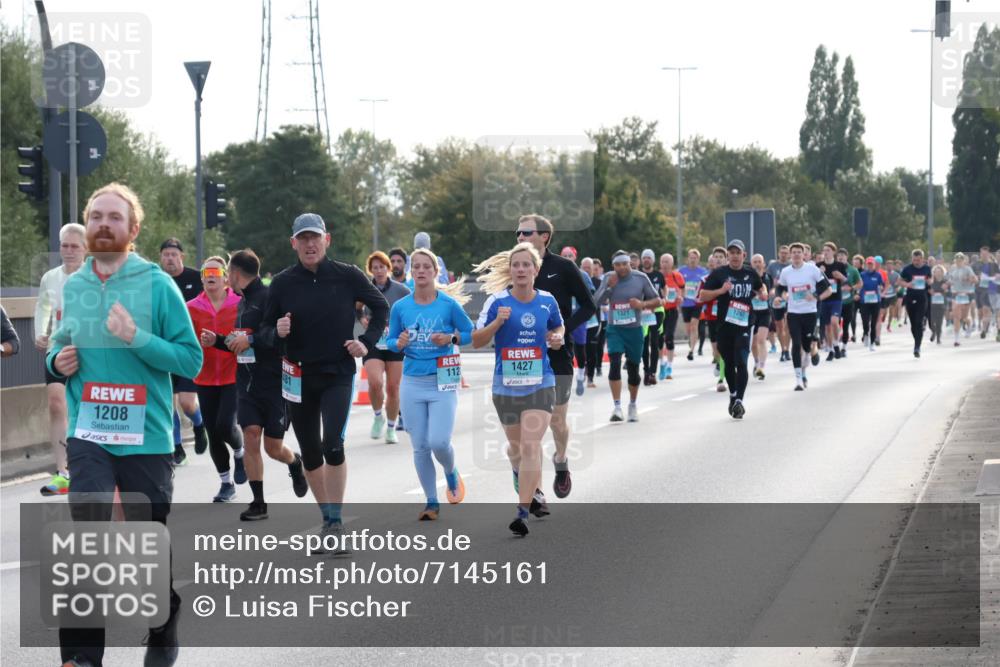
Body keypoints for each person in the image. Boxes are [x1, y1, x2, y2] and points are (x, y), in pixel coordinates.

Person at [48, 183, 202, 667]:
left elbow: (190, 359)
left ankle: (162, 626)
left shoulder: (157, 284)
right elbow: (56, 347)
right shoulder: (75, 286)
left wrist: (136, 337)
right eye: (96, 217)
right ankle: (81, 656)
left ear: (132, 230)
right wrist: (58, 361)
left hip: (146, 435)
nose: (103, 225)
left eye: (114, 217)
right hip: (90, 431)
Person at [262, 213, 389, 551]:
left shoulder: (347, 276)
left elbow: (381, 307)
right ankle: (328, 519)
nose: (309, 244)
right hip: (298, 377)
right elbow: (263, 329)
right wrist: (276, 331)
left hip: (337, 372)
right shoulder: (283, 283)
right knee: (312, 452)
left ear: (326, 239)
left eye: (314, 237)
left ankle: (335, 521)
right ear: (294, 243)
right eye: (302, 238)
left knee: (333, 444)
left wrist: (366, 342)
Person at [472, 242, 564, 536]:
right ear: (510, 270)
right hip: (505, 386)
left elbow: (557, 327)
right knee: (516, 449)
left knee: (529, 446)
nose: (521, 269)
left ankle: (522, 512)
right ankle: (523, 479)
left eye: (527, 265)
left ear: (536, 270)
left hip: (541, 382)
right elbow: (476, 340)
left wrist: (557, 338)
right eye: (516, 265)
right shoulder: (497, 302)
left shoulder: (548, 301)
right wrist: (497, 323)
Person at [511, 214, 595, 500]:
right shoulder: (513, 266)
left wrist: (563, 331)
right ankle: (534, 490)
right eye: (518, 234)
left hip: (558, 354)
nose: (520, 238)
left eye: (526, 233)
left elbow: (589, 306)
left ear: (544, 236)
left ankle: (560, 459)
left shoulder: (563, 267)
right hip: (523, 355)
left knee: (557, 421)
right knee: (529, 429)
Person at [387, 248, 473, 521]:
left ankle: (450, 472)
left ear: (436, 272)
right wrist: (397, 343)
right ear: (412, 273)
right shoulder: (401, 307)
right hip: (412, 381)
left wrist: (450, 339)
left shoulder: (447, 305)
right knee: (420, 445)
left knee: (439, 442)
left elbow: (470, 333)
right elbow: (389, 341)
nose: (421, 271)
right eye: (417, 267)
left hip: (443, 381)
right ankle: (431, 502)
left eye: (427, 267)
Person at [225, 249, 308, 521]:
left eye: (228, 272)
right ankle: (258, 503)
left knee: (273, 448)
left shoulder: (269, 297)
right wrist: (217, 340)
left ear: (236, 274)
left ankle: (295, 462)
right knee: (250, 435)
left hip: (273, 382)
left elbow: (278, 335)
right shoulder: (242, 302)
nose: (227, 278)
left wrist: (251, 341)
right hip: (246, 384)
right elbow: (241, 339)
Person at [187, 256, 247, 502]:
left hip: (234, 374)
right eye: (205, 271)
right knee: (213, 431)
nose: (210, 275)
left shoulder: (239, 303)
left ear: (225, 277)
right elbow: (185, 338)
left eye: (215, 271)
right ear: (202, 278)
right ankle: (226, 483)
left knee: (225, 425)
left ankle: (240, 452)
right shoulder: (192, 307)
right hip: (205, 376)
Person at [34, 223, 87, 496]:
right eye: (64, 246)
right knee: (56, 405)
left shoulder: (95, 277)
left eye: (74, 246)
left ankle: (90, 466)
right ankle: (63, 473)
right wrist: (39, 334)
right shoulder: (50, 277)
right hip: (58, 349)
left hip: (88, 351)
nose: (68, 251)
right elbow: (43, 306)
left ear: (85, 249)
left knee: (85, 408)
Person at [699, 241, 766, 418]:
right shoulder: (719, 273)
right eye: (732, 252)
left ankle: (739, 402)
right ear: (728, 255)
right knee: (728, 363)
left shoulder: (749, 272)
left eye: (738, 252)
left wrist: (763, 293)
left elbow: (760, 286)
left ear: (744, 255)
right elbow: (703, 295)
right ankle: (733, 395)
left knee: (741, 361)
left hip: (744, 323)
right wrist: (721, 291)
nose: (735, 255)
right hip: (724, 325)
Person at [593, 250, 661, 422]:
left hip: (634, 330)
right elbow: (595, 302)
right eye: (618, 265)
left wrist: (642, 304)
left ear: (630, 263)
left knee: (633, 370)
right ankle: (617, 407)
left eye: (625, 264)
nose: (622, 267)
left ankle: (632, 404)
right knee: (614, 364)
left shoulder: (640, 278)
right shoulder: (608, 277)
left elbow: (657, 300)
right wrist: (609, 288)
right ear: (613, 266)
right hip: (615, 329)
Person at [158, 238, 207, 465]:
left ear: (181, 257)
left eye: (173, 254)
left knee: (187, 403)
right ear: (161, 258)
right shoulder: (157, 280)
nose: (169, 258)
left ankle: (198, 424)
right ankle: (177, 447)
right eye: (166, 254)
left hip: (187, 350)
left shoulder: (196, 278)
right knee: (169, 403)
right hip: (164, 349)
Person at [357, 251, 410, 444]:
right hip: (373, 341)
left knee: (393, 387)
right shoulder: (365, 288)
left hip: (395, 343)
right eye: (374, 268)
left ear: (388, 268)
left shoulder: (401, 290)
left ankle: (391, 428)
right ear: (370, 270)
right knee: (375, 382)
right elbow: (356, 307)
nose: (378, 271)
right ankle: (378, 416)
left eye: (382, 267)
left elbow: (411, 309)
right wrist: (361, 317)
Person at [777, 242, 832, 390]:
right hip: (793, 313)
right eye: (793, 252)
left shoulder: (812, 270)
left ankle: (808, 354)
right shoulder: (786, 272)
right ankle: (798, 380)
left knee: (806, 345)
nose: (796, 254)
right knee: (796, 344)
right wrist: (784, 295)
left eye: (798, 252)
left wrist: (815, 297)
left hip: (810, 312)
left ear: (803, 254)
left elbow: (828, 290)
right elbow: (780, 289)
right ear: (790, 255)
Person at [898, 249, 933, 358]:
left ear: (922, 259)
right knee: (913, 325)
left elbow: (931, 280)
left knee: (918, 322)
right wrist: (907, 284)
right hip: (910, 297)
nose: (916, 262)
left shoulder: (927, 269)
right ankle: (917, 341)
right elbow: (899, 281)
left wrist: (929, 282)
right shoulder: (907, 269)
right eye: (914, 260)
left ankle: (917, 347)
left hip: (922, 298)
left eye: (918, 260)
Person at [816, 242, 848, 360]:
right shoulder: (818, 265)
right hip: (824, 299)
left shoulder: (840, 265)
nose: (826, 252)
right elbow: (814, 282)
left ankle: (836, 344)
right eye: (824, 250)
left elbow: (846, 281)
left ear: (834, 252)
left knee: (834, 321)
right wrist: (819, 272)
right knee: (827, 326)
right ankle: (830, 350)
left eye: (828, 250)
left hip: (836, 299)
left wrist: (840, 276)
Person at [658, 253, 685, 380]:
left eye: (667, 261)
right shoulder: (657, 276)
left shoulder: (676, 276)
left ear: (672, 264)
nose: (665, 264)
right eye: (663, 261)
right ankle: (661, 363)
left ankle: (669, 365)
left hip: (672, 310)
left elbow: (682, 289)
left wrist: (681, 297)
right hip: (658, 311)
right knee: (658, 339)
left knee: (669, 337)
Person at [679, 249, 709, 360]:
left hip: (697, 303)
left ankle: (691, 351)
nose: (693, 260)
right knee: (688, 329)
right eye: (691, 257)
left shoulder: (703, 272)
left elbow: (707, 285)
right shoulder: (681, 271)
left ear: (698, 260)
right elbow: (677, 285)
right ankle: (691, 340)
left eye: (695, 258)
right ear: (688, 258)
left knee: (693, 325)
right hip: (685, 303)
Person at [580, 257, 603, 388]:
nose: (587, 270)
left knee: (592, 349)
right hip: (580, 320)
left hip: (594, 321)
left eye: (589, 268)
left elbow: (603, 298)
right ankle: (583, 369)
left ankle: (590, 377)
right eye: (585, 267)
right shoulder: (576, 280)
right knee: (581, 348)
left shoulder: (598, 283)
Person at [749, 253, 772, 381]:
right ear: (751, 264)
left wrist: (766, 293)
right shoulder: (748, 278)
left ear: (763, 264)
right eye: (755, 262)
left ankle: (761, 367)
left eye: (759, 261)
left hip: (764, 312)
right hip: (752, 313)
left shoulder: (767, 277)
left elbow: (767, 293)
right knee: (753, 343)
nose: (757, 264)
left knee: (761, 340)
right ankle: (757, 362)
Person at [766, 245, 791, 361]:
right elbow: (768, 281)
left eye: (786, 253)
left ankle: (787, 349)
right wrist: (770, 289)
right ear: (778, 253)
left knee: (788, 325)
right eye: (782, 252)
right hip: (775, 299)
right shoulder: (772, 266)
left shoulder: (791, 266)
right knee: (779, 327)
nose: (784, 255)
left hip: (789, 298)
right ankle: (783, 350)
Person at [947, 252, 977, 346]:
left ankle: (970, 325)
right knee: (956, 316)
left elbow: (975, 280)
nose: (958, 262)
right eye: (957, 260)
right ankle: (956, 339)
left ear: (963, 261)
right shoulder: (952, 268)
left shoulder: (968, 269)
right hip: (955, 293)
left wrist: (968, 279)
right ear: (955, 260)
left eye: (960, 260)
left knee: (964, 317)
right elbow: (947, 279)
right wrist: (948, 283)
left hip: (966, 294)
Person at [858, 257, 885, 351]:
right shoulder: (862, 274)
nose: (870, 266)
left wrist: (881, 288)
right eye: (868, 264)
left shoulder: (878, 275)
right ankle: (866, 334)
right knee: (865, 322)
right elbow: (858, 285)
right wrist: (857, 293)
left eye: (871, 264)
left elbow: (882, 285)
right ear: (866, 264)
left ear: (874, 265)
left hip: (875, 301)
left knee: (873, 323)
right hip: (864, 302)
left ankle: (872, 343)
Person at [973, 246, 998, 339]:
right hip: (979, 290)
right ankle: (983, 326)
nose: (983, 255)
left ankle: (985, 329)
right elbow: (972, 275)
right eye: (982, 254)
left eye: (985, 254)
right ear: (980, 254)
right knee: (981, 311)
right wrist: (976, 277)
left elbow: (997, 276)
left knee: (988, 310)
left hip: (991, 290)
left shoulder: (993, 264)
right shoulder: (976, 264)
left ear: (988, 254)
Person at [840, 252, 863, 347]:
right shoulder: (834, 269)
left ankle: (844, 346)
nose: (841, 258)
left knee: (846, 324)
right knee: (833, 323)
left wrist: (852, 288)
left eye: (843, 256)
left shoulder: (853, 270)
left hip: (849, 301)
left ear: (846, 257)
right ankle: (834, 345)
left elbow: (860, 284)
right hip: (836, 301)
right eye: (839, 256)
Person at [928, 264, 948, 345]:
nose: (938, 273)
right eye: (936, 272)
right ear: (934, 273)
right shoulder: (931, 282)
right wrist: (929, 291)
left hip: (941, 304)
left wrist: (946, 290)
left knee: (939, 322)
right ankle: (934, 331)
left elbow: (949, 293)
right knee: (932, 321)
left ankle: (938, 338)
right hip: (932, 304)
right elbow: (926, 291)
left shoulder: (945, 282)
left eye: (940, 272)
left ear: (943, 273)